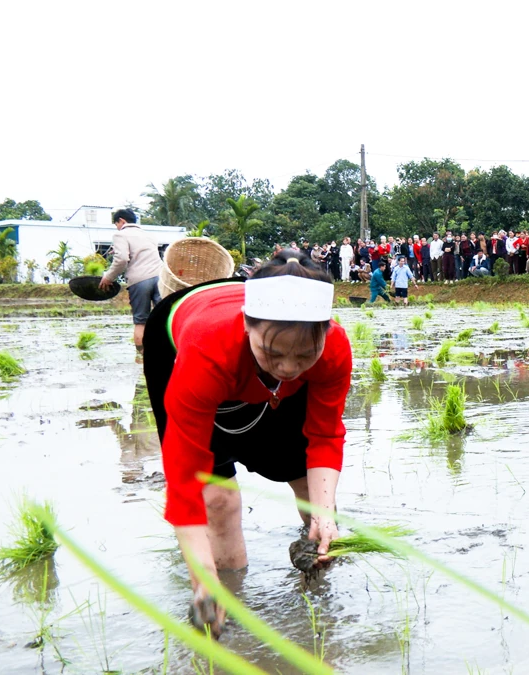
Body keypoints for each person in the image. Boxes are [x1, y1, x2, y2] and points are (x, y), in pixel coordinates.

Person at [142, 250, 351, 638]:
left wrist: (324, 514)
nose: (288, 368)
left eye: (305, 354)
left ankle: (320, 603)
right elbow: (184, 475)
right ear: (247, 326)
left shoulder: (333, 349)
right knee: (219, 500)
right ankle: (229, 603)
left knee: (312, 491)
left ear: (326, 331)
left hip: (257, 375)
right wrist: (202, 579)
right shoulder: (207, 351)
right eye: (273, 353)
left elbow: (323, 435)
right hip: (179, 340)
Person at [99, 208, 164, 352]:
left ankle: (141, 357)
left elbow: (122, 259)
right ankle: (164, 353)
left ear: (121, 221)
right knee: (163, 318)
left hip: (140, 280)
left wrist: (108, 277)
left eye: (116, 224)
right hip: (160, 278)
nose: (117, 227)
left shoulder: (120, 235)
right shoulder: (149, 235)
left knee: (141, 321)